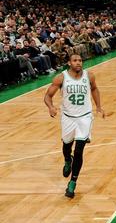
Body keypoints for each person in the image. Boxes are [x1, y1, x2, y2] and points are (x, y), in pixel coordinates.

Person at [44, 54, 105, 198]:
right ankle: (67, 160)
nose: (78, 63)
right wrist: (51, 107)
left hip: (85, 117)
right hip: (68, 117)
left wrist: (99, 107)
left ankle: (72, 182)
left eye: (80, 60)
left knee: (78, 151)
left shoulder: (89, 76)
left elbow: (95, 89)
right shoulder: (61, 78)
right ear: (69, 63)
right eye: (75, 61)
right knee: (66, 146)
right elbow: (47, 96)